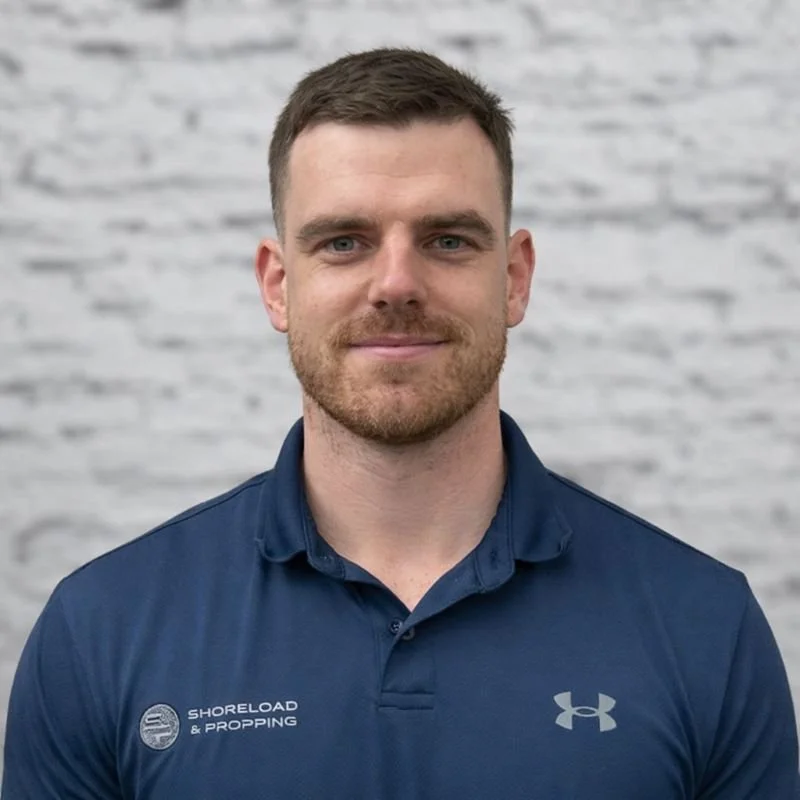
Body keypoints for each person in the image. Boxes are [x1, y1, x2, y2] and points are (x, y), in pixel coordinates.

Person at [2, 47, 798, 799]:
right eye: (343, 242)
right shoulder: (104, 626)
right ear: (278, 285)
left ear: (514, 279)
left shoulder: (703, 626)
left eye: (447, 240)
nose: (396, 283)